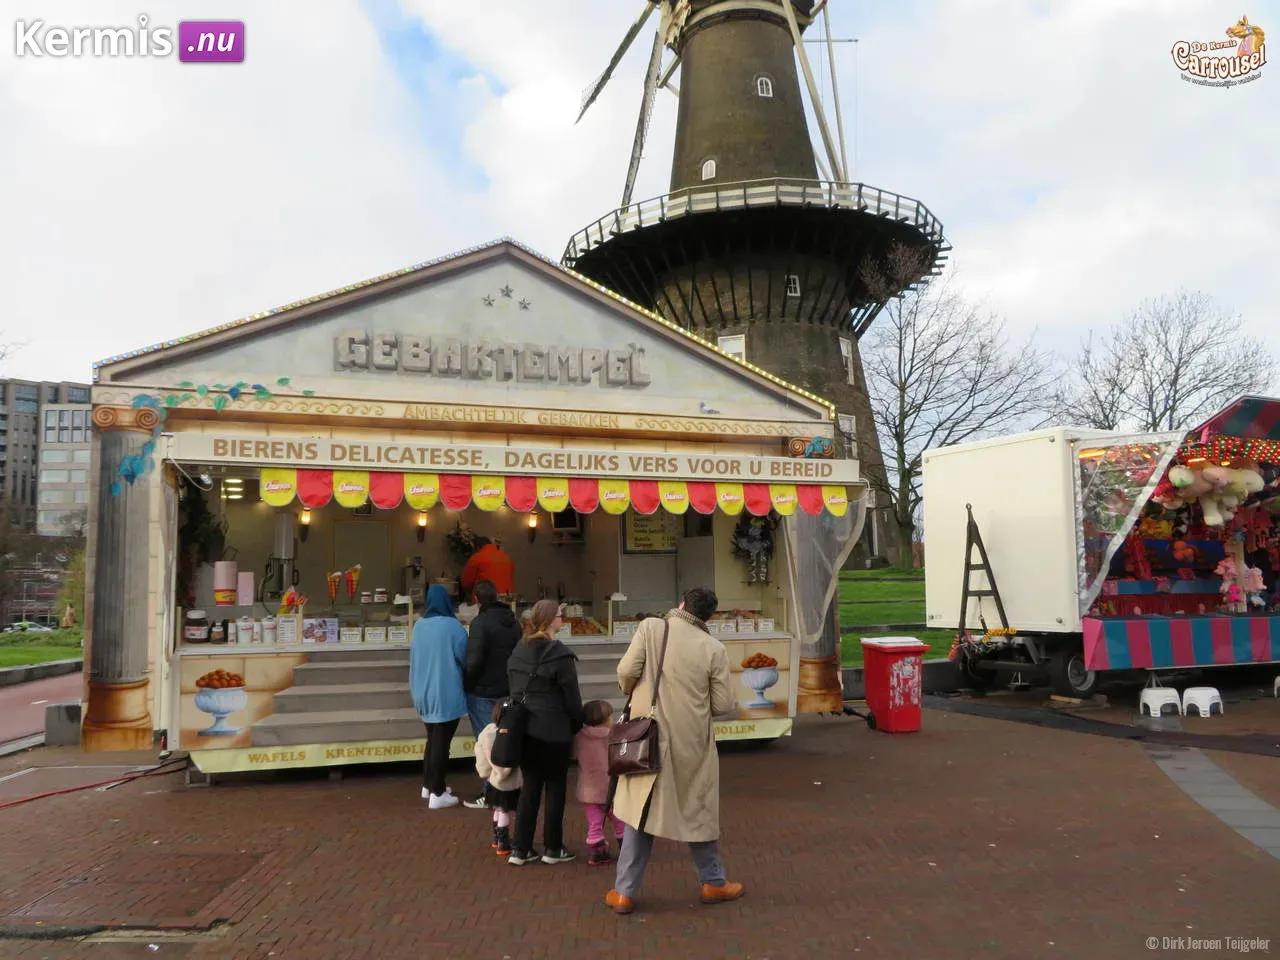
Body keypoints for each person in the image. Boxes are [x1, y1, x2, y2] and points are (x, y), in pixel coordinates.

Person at [605, 587, 740, 916]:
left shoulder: (652, 628)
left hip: (646, 735)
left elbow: (625, 672)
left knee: (642, 809)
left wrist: (636, 693)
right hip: (691, 741)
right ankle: (713, 882)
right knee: (698, 807)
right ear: (708, 616)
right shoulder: (714, 648)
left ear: (681, 604)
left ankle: (624, 892)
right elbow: (723, 704)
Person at [505, 599, 584, 865]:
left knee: (530, 788)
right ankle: (553, 848)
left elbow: (514, 690)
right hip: (554, 732)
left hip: (525, 729)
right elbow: (573, 700)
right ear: (551, 620)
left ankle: (520, 848)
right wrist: (576, 725)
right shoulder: (559, 655)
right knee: (556, 789)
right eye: (560, 615)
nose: (562, 619)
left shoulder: (519, 650)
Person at [460, 579, 523, 810]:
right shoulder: (514, 623)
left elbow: (474, 661)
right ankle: (509, 790)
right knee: (506, 739)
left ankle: (490, 794)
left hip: (483, 692)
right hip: (508, 689)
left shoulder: (480, 623)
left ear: (476, 599)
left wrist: (467, 683)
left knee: (486, 742)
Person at [409, 584, 468, 809]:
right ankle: (438, 793)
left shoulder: (419, 626)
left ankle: (428, 785)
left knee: (433, 739)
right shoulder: (453, 626)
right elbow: (464, 656)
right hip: (445, 691)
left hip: (422, 691)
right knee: (442, 743)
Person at [574, 699, 626, 866]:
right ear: (604, 719)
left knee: (595, 822)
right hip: (610, 788)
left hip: (588, 790)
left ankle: (597, 852)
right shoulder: (612, 735)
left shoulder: (579, 737)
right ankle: (626, 848)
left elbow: (573, 755)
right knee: (619, 820)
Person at [473, 700, 522, 856]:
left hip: (493, 781)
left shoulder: (486, 734)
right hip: (510, 782)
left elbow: (481, 759)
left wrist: (485, 774)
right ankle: (504, 842)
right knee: (505, 812)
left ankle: (496, 838)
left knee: (497, 810)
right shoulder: (514, 734)